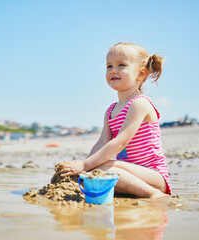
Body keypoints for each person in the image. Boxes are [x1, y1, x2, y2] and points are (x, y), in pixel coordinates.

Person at [59, 42, 171, 199]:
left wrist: (85, 166)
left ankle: (155, 195)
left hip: (153, 175)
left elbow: (120, 143)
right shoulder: (111, 110)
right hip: (128, 173)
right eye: (109, 66)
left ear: (140, 74)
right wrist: (85, 167)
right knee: (95, 169)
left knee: (102, 169)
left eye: (121, 65)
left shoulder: (139, 103)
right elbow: (102, 143)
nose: (113, 71)